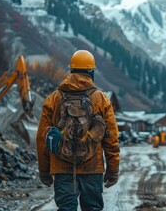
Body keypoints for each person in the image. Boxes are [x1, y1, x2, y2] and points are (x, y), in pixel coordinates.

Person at [36, 50, 120, 211]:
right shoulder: (100, 99)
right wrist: (112, 170)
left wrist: (44, 171)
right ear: (91, 71)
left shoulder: (54, 98)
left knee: (66, 208)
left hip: (62, 167)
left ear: (71, 70)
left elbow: (43, 138)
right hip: (92, 168)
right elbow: (111, 138)